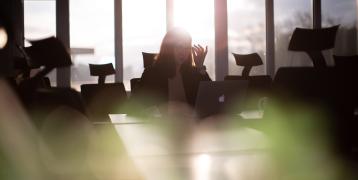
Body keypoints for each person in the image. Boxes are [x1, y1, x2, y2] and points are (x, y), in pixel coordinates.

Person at [134, 28, 211, 115]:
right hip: (163, 125)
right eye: (179, 47)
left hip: (190, 124)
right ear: (169, 49)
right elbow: (135, 106)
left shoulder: (193, 73)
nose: (183, 52)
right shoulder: (152, 73)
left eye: (187, 48)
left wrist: (200, 67)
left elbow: (210, 98)